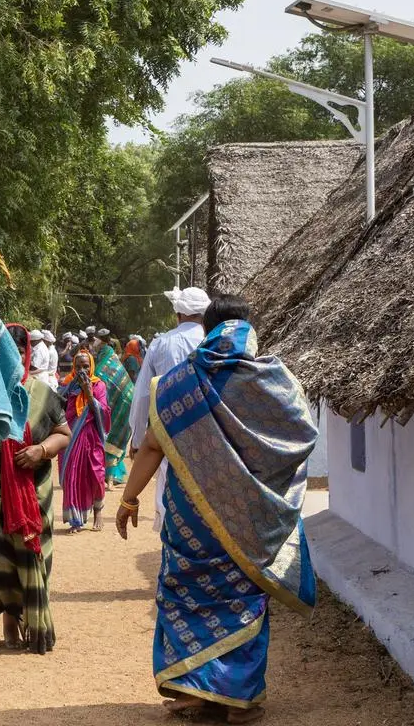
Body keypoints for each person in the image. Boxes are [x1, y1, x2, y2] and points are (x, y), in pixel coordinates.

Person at [116, 294, 318, 723]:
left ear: (206, 332)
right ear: (250, 332)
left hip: (192, 521)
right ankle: (239, 698)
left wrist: (128, 497)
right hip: (249, 519)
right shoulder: (270, 381)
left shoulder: (178, 384)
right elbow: (301, 436)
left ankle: (193, 689)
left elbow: (152, 444)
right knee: (243, 597)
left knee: (187, 593)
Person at [0, 325, 71, 655]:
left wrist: (40, 451)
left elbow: (62, 433)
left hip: (31, 491)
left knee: (25, 551)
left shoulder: (40, 393)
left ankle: (14, 620)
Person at [129, 286, 210, 530]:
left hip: (169, 431)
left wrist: (136, 439)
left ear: (178, 315)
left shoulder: (161, 344)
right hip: (211, 430)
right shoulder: (214, 342)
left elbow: (143, 394)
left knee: (170, 489)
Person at [58, 348, 110, 532]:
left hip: (91, 437)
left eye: (86, 366)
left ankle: (98, 510)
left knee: (95, 474)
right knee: (72, 475)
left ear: (92, 367)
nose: (82, 370)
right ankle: (75, 519)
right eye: (78, 366)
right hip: (70, 437)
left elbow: (104, 412)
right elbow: (57, 406)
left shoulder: (99, 386)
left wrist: (88, 392)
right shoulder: (67, 385)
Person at [90, 330, 133, 488]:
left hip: (121, 402)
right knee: (114, 435)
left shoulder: (105, 358)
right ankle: (113, 475)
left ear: (101, 342)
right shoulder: (110, 356)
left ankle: (108, 478)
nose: (92, 344)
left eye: (94, 341)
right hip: (126, 399)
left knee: (110, 435)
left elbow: (99, 379)